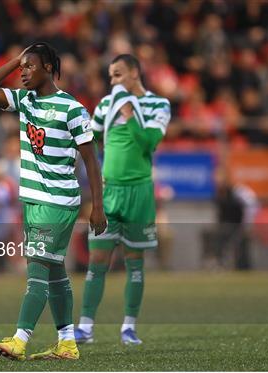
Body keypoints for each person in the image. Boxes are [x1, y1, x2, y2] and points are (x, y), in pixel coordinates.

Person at [0, 42, 107, 361]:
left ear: (48, 68)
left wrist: (97, 206)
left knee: (35, 269)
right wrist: (14, 61)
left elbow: (90, 159)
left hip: (58, 203)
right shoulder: (25, 100)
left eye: (30, 66)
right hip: (32, 202)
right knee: (55, 272)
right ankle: (67, 343)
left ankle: (20, 340)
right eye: (22, 68)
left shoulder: (72, 109)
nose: (23, 73)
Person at [74, 54, 171, 345]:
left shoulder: (159, 104)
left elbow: (148, 143)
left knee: (135, 261)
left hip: (139, 193)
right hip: (109, 192)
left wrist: (129, 111)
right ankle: (85, 327)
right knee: (98, 259)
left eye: (118, 75)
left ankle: (129, 327)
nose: (113, 81)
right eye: (111, 76)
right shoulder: (105, 104)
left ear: (134, 73)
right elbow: (92, 139)